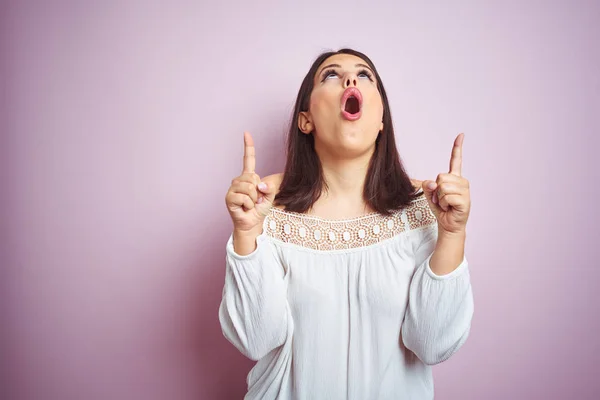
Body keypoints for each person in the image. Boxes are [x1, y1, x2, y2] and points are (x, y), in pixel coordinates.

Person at [219, 48, 474, 400]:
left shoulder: (426, 210)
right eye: (331, 75)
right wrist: (246, 233)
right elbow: (256, 339)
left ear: (381, 118)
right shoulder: (267, 210)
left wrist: (452, 234)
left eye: (364, 74)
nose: (351, 80)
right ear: (305, 119)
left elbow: (433, 345)